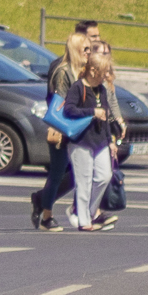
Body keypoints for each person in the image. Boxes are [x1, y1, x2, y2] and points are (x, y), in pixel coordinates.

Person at [48, 41, 125, 231]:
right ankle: (84, 222)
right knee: (83, 182)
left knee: (104, 176)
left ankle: (90, 212)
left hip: (100, 141)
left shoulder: (102, 90)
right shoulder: (78, 88)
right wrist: (92, 112)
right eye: (103, 72)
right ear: (92, 72)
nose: (106, 76)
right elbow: (69, 110)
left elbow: (106, 117)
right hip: (81, 141)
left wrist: (111, 142)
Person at [31, 23, 100, 229]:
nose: (89, 52)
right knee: (58, 173)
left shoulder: (85, 71)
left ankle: (41, 199)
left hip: (80, 127)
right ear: (76, 50)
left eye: (90, 49)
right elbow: (59, 103)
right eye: (86, 49)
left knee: (79, 174)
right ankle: (46, 217)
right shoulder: (63, 71)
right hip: (62, 128)